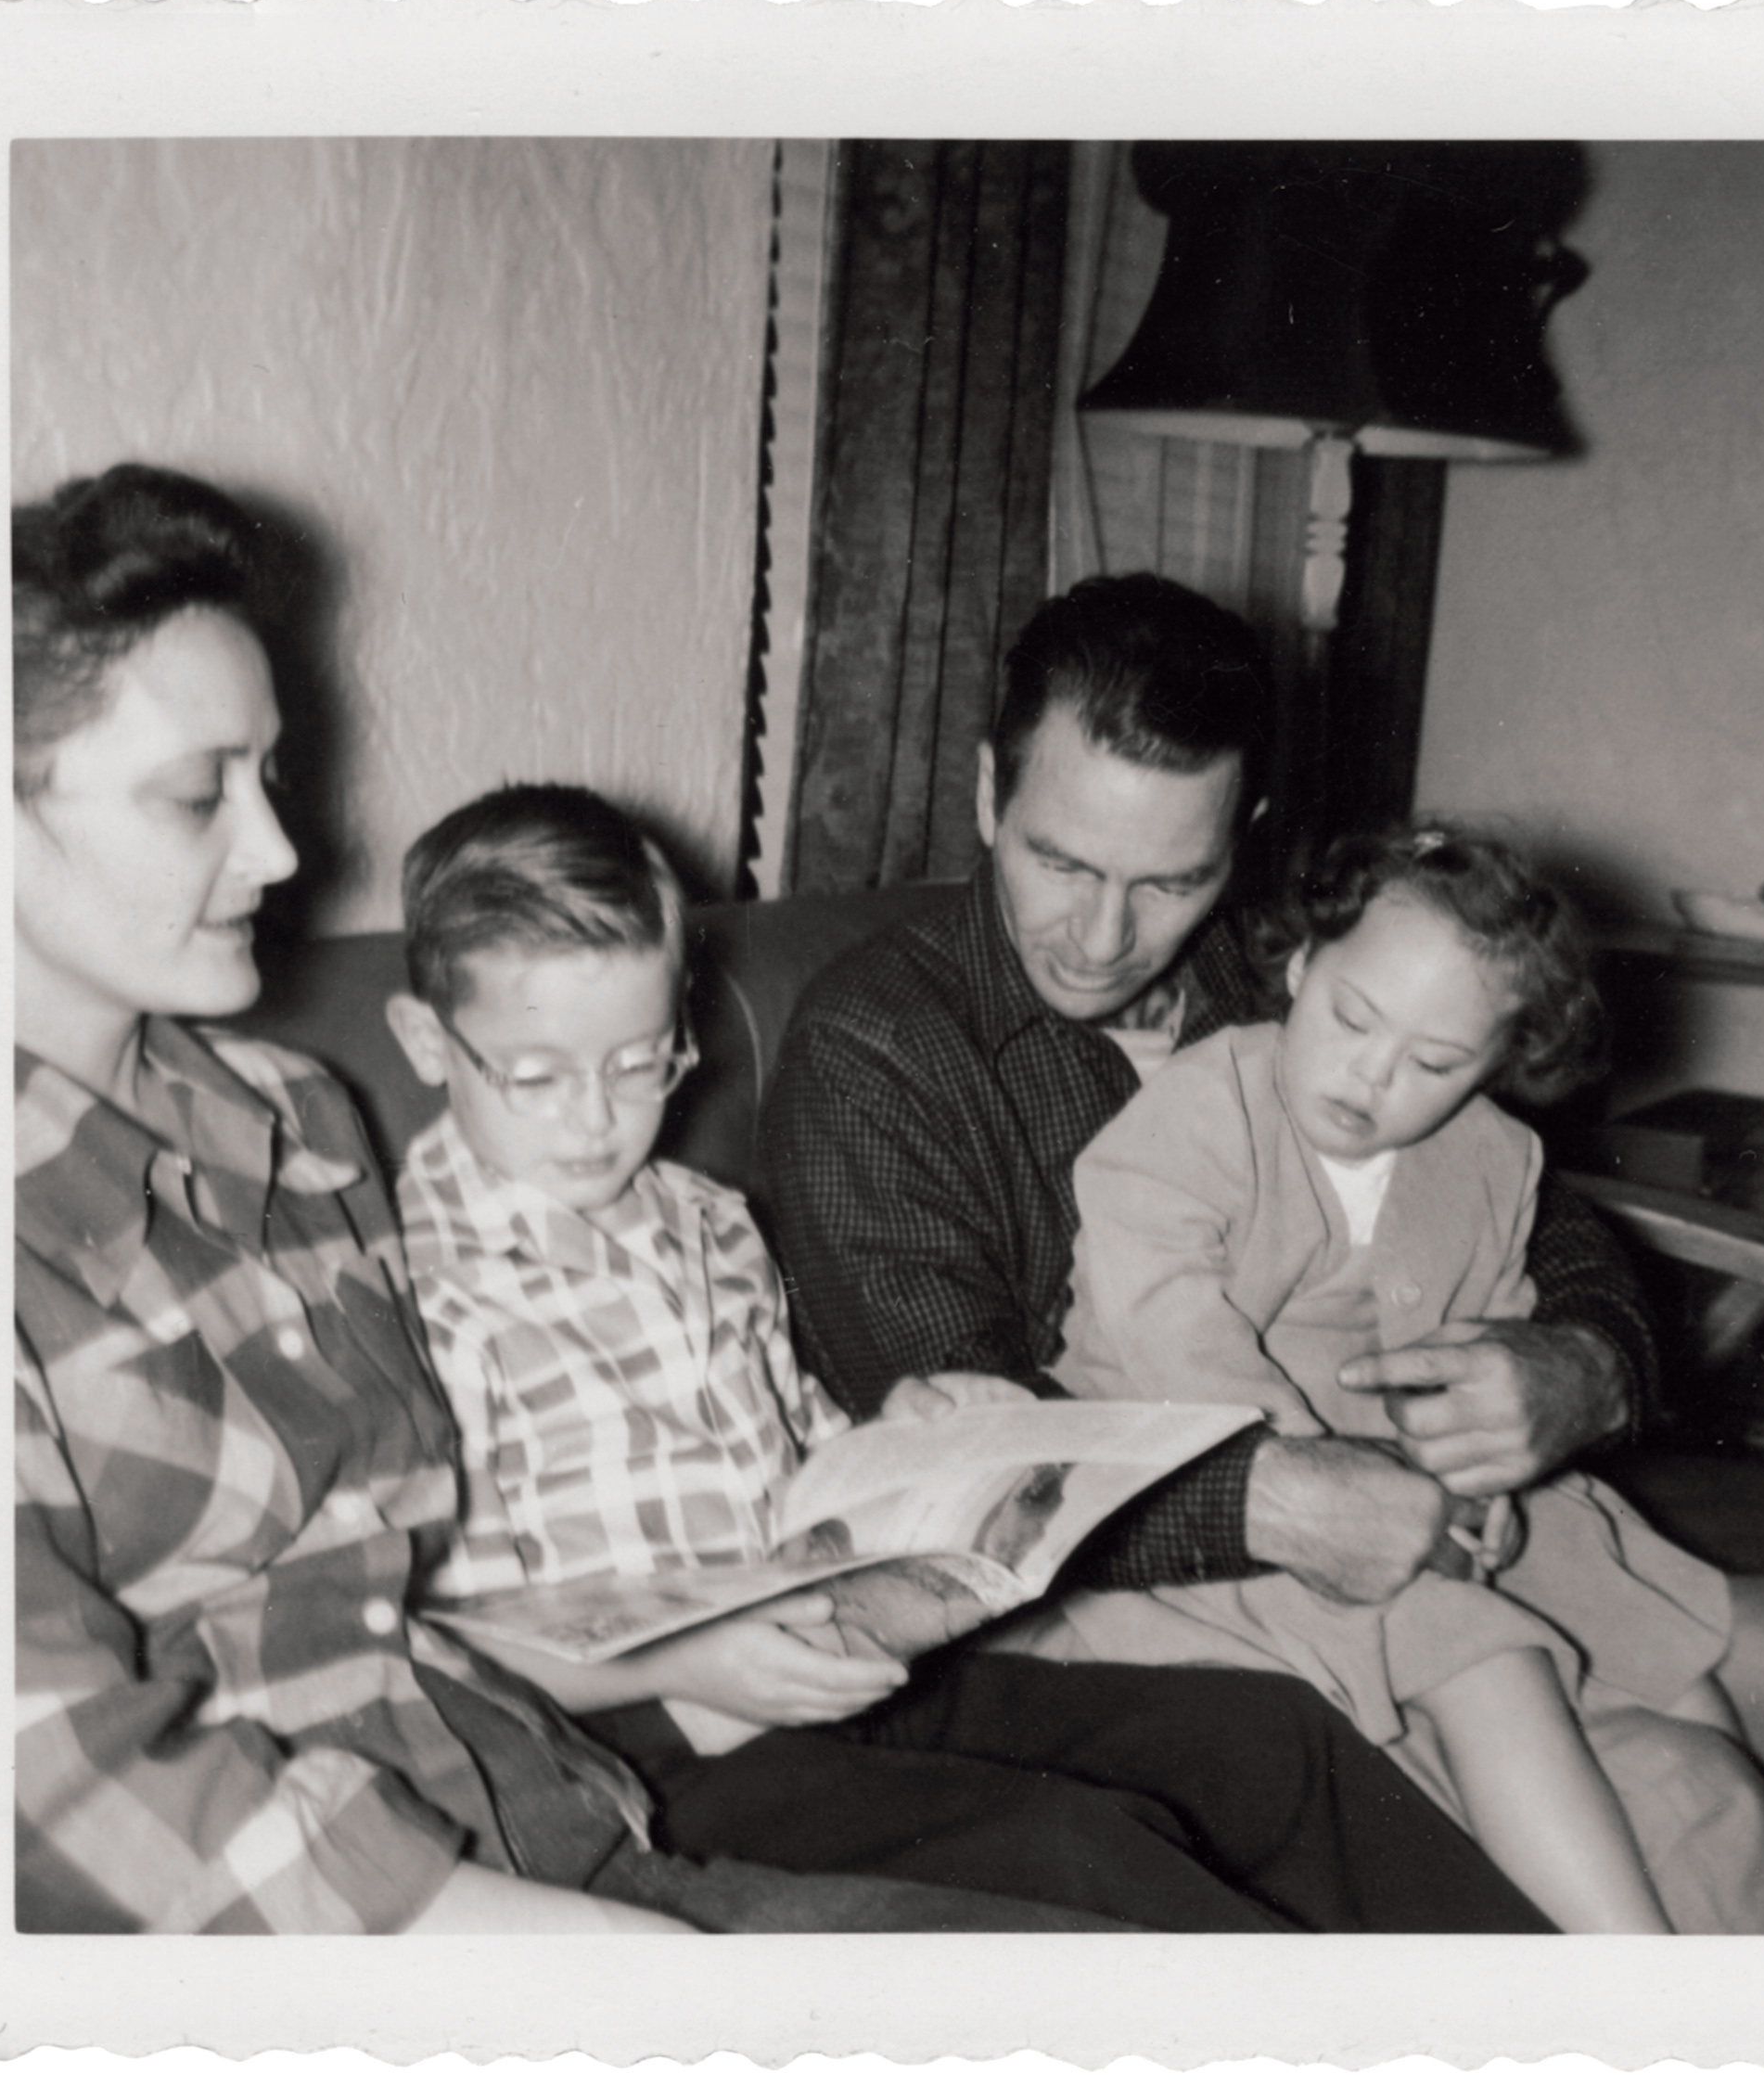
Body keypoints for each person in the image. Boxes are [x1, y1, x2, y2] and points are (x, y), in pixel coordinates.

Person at [11, 461, 1123, 1937]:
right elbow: (49, 1791)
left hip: (553, 1796)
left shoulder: (291, 1121)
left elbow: (420, 1588)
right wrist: (633, 1969)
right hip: (395, 1929)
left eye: (268, 778)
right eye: (198, 795)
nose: (281, 851)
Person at [760, 572, 1764, 1918]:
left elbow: (1537, 1214)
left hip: (1468, 1526)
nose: (1103, 938)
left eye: (1173, 878)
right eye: (1061, 861)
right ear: (991, 797)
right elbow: (976, 1472)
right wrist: (1291, 1497)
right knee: (1705, 1811)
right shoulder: (877, 1051)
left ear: (1246, 840)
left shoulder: (1296, 976)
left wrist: (1583, 1363)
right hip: (1160, 1598)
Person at [378, 780, 1550, 1932]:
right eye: (538, 1078)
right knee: (1078, 1847)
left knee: (1273, 1743)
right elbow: (405, 1639)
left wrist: (908, 1431)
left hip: (832, 1652)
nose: (597, 1120)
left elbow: (799, 1461)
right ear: (426, 1042)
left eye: (643, 1063)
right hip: (638, 1747)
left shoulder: (703, 1219)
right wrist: (691, 1660)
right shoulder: (399, 1290)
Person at [1034, 821, 1764, 1933]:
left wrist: (1492, 1474)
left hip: (1416, 1472)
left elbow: (1494, 1324)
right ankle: (1639, 1973)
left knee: (1639, 1607)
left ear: (1500, 1064)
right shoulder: (1202, 1107)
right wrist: (1318, 1468)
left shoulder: (1495, 1156)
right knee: (1488, 1658)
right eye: (1353, 1019)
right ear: (1305, 968)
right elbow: (1163, 1321)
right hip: (1219, 1486)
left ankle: (1752, 1849)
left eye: (1435, 1063)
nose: (1372, 1077)